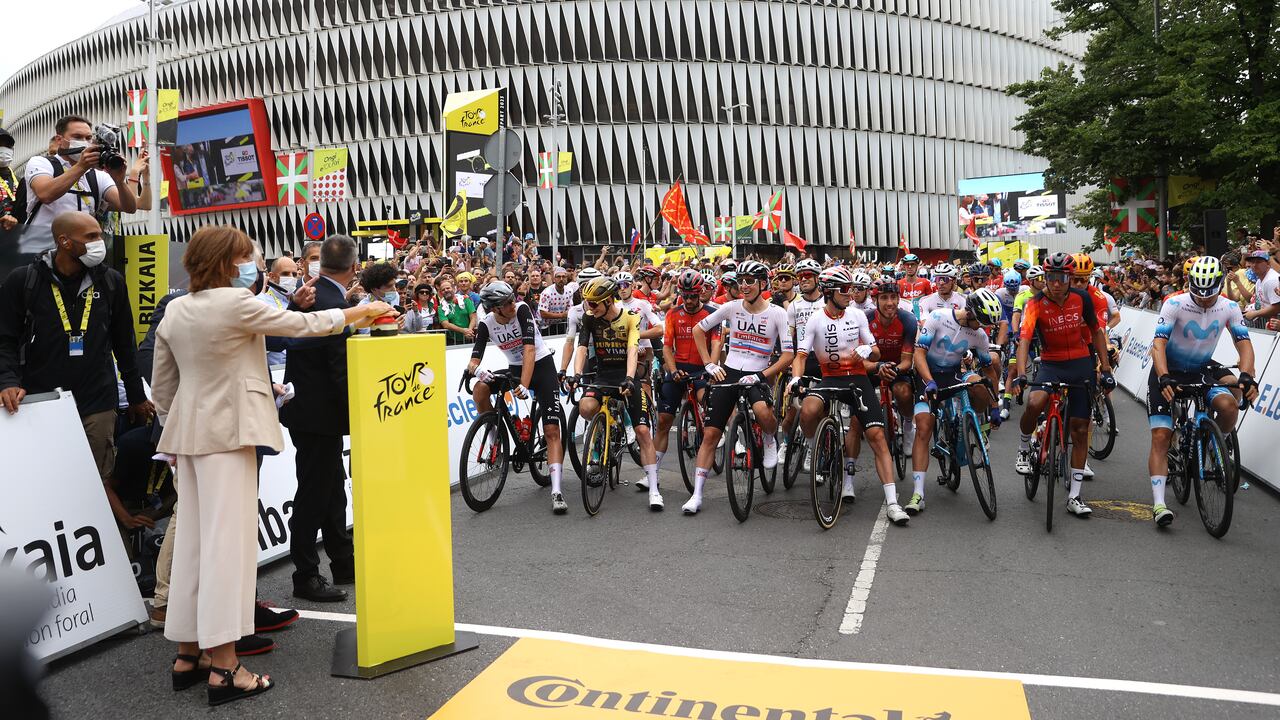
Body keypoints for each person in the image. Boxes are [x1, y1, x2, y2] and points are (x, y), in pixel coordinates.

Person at [150, 225, 392, 707]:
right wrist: (359, 312)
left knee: (196, 544)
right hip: (230, 435)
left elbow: (163, 387)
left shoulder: (177, 309)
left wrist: (175, 433)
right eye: (247, 258)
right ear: (226, 263)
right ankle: (225, 666)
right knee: (227, 550)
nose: (253, 267)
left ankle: (189, 653)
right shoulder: (235, 303)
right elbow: (304, 326)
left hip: (189, 438)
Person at [0, 210, 154, 536]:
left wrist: (136, 397)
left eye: (100, 234)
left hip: (97, 401)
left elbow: (125, 344)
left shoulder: (110, 281)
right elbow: (5, 339)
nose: (100, 243)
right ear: (65, 242)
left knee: (95, 480)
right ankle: (49, 543)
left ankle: (99, 547)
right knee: (45, 479)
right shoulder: (24, 281)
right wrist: (8, 381)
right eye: (91, 237)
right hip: (40, 402)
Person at [279, 235, 368, 602]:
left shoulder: (317, 296)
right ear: (354, 267)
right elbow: (339, 369)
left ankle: (342, 561)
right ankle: (306, 574)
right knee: (314, 495)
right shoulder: (332, 302)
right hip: (317, 415)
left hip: (312, 413)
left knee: (332, 490)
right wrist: (358, 415)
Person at [1145, 256, 1258, 527]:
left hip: (1201, 368)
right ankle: (1159, 504)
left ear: (1219, 285)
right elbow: (1158, 344)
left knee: (1230, 404)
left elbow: (1244, 344)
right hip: (1170, 369)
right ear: (1190, 284)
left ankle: (1214, 442)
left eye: (1209, 295)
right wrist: (1163, 377)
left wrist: (1247, 376)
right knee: (1161, 436)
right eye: (1199, 294)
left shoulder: (1229, 307)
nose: (1204, 301)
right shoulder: (1175, 303)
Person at [788, 267, 905, 523]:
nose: (850, 294)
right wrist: (796, 378)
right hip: (830, 378)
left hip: (857, 379)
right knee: (807, 410)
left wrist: (866, 350)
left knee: (877, 436)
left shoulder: (857, 315)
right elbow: (801, 355)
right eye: (844, 290)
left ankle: (893, 503)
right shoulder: (815, 319)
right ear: (829, 293)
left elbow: (876, 351)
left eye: (851, 289)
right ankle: (815, 448)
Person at [1012, 253, 1115, 518]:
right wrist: (1021, 374)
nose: (1056, 283)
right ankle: (1024, 447)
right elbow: (1024, 340)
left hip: (1080, 364)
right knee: (1035, 402)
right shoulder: (1035, 303)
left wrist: (1105, 369)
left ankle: (1075, 496)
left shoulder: (1082, 299)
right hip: (1052, 363)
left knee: (1080, 430)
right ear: (1045, 277)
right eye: (1051, 277)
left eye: (1061, 278)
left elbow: (1096, 332)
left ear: (1069, 278)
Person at [686, 261, 793, 515]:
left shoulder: (777, 313)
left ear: (762, 284)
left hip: (759, 371)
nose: (744, 286)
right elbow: (698, 330)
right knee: (711, 434)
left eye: (750, 281)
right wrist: (709, 364)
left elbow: (788, 355)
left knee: (763, 411)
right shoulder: (732, 307)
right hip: (731, 371)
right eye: (740, 281)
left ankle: (769, 438)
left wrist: (762, 376)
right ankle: (697, 494)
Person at [466, 281, 567, 512]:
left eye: (512, 299)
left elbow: (529, 349)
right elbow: (474, 359)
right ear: (495, 308)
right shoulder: (487, 323)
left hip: (541, 366)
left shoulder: (522, 309)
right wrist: (477, 370)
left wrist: (524, 385)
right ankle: (497, 441)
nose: (513, 304)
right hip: (515, 368)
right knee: (480, 388)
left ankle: (556, 491)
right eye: (507, 303)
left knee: (552, 430)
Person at [568, 276, 665, 510]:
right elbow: (582, 347)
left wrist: (630, 379)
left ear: (609, 301)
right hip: (603, 376)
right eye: (587, 303)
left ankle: (654, 488)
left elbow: (632, 349)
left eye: (594, 303)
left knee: (643, 431)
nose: (589, 307)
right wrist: (577, 374)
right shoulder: (590, 318)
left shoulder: (631, 317)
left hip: (626, 374)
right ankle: (602, 432)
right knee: (585, 407)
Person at [904, 289, 1002, 516]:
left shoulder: (980, 335)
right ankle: (918, 494)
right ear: (970, 312)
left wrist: (995, 405)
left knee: (979, 384)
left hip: (954, 374)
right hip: (927, 377)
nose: (982, 328)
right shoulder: (938, 317)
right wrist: (929, 381)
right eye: (981, 321)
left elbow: (989, 370)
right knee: (924, 428)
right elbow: (919, 354)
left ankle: (974, 424)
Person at [20, 116, 138, 260]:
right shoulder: (41, 163)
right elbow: (45, 194)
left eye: (88, 138)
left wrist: (120, 182)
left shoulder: (97, 175)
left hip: (80, 254)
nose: (84, 142)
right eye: (77, 137)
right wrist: (82, 166)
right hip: (39, 253)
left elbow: (129, 207)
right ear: (59, 140)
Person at [654, 270, 720, 474]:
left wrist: (711, 369)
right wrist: (673, 371)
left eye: (693, 296)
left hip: (702, 368)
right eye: (685, 296)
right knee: (663, 420)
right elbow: (667, 347)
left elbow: (716, 345)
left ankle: (715, 432)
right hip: (679, 369)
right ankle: (652, 472)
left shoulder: (712, 314)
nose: (688, 301)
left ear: (700, 293)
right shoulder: (672, 314)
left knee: (705, 400)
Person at [865, 279, 918, 449]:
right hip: (873, 367)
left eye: (893, 297)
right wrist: (878, 366)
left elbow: (907, 361)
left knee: (903, 392)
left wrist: (891, 368)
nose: (890, 303)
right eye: (884, 298)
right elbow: (860, 360)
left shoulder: (908, 320)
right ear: (874, 300)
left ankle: (908, 424)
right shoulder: (865, 319)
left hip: (897, 367)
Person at [1242, 250, 1279, 328]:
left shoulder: (1271, 280)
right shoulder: (1259, 281)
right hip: (1267, 321)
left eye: (1258, 262)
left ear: (1268, 264)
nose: (1254, 265)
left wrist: (1255, 313)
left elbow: (1277, 307)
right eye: (1252, 262)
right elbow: (1262, 303)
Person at [436, 275, 476, 343]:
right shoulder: (441, 307)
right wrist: (463, 331)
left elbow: (473, 317)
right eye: (443, 290)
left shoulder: (465, 300)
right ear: (441, 292)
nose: (446, 290)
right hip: (452, 340)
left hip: (469, 337)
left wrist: (469, 331)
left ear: (453, 288)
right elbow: (445, 324)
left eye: (448, 288)